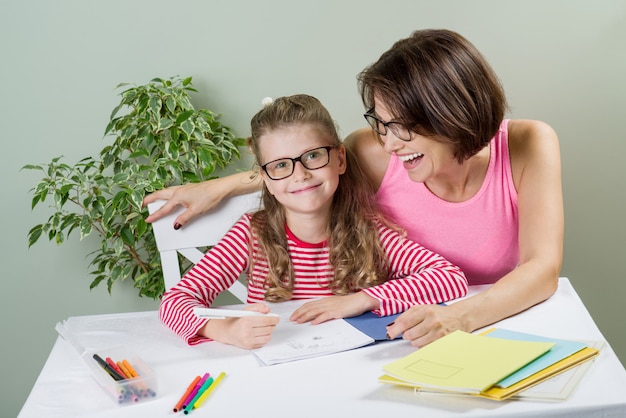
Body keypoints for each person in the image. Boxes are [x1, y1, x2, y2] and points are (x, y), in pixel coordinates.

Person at [147, 29, 563, 348]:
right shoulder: (371, 150)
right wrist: (222, 186)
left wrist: (441, 315)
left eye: (402, 127)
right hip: (380, 335)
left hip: (500, 325)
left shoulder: (529, 144)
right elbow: (305, 168)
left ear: (449, 114)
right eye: (381, 124)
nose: (388, 143)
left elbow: (540, 270)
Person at [158, 94, 468, 350]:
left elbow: (450, 278)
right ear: (265, 177)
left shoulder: (370, 230)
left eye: (313, 156)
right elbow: (174, 302)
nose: (300, 174)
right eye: (280, 165)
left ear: (340, 159)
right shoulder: (251, 234)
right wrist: (224, 330)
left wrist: (358, 301)